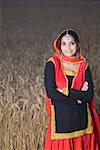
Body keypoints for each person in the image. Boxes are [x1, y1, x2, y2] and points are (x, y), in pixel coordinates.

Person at [44, 29, 100, 150]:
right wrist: (78, 97)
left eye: (72, 43)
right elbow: (51, 93)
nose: (68, 47)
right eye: (64, 43)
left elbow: (89, 95)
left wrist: (66, 91)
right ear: (59, 45)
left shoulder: (83, 65)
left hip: (82, 122)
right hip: (61, 122)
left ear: (77, 45)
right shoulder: (52, 63)